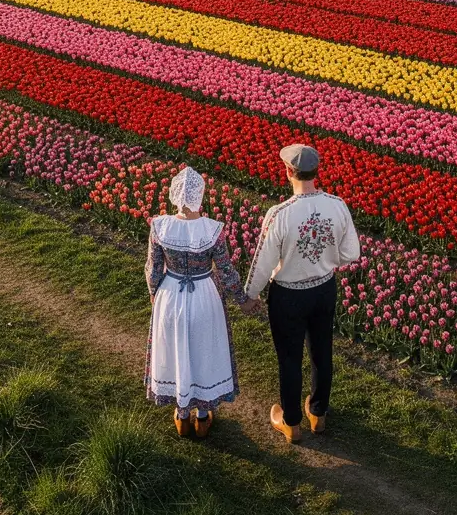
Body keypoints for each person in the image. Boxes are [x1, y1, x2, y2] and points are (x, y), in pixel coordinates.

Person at [244, 143, 360, 443]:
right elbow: (352, 252)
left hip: (288, 295)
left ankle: (291, 422)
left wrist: (251, 294)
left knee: (290, 358)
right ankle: (318, 413)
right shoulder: (337, 204)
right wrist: (326, 260)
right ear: (316, 171)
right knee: (322, 351)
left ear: (288, 171)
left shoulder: (280, 214)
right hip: (324, 289)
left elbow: (263, 261)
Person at [145, 166, 255, 437]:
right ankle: (203, 417)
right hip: (204, 294)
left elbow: (153, 269)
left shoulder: (160, 226)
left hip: (170, 294)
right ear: (199, 196)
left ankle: (182, 416)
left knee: (177, 350)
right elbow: (226, 270)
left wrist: (154, 295)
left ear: (174, 194)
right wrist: (242, 299)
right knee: (203, 352)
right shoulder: (212, 230)